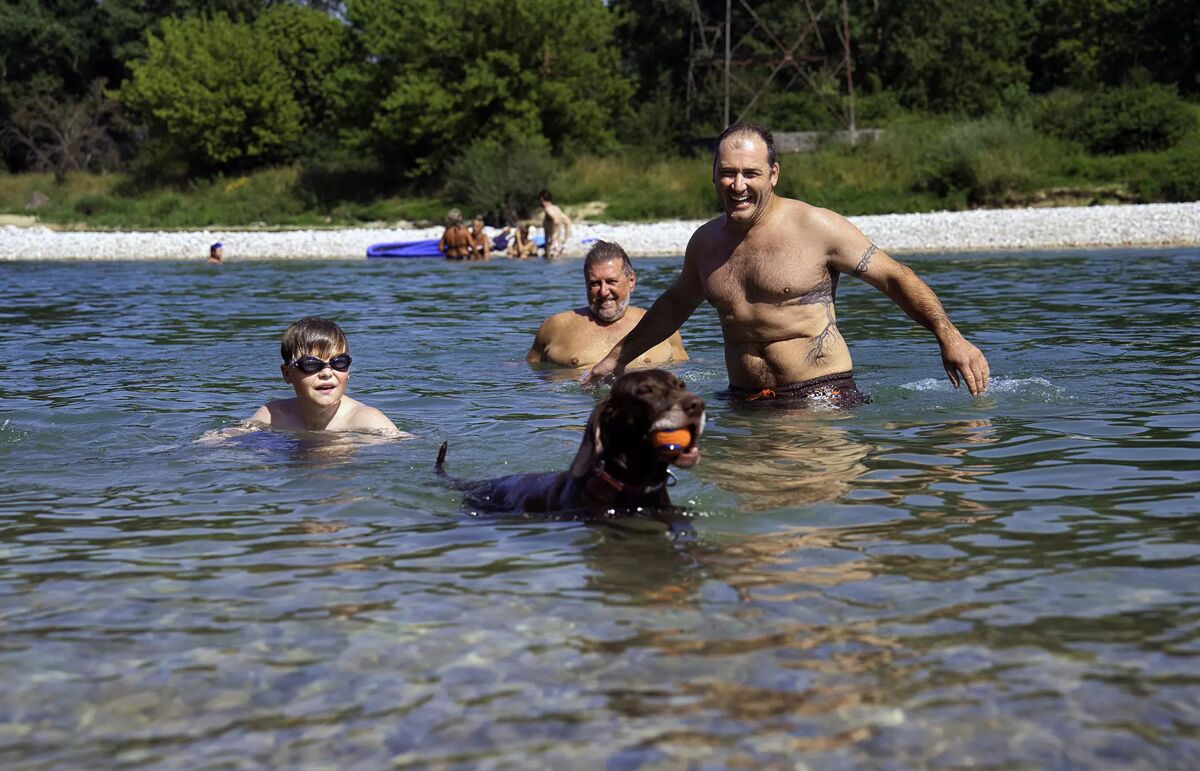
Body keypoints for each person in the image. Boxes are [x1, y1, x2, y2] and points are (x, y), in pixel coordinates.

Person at [583, 123, 989, 404]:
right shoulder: (705, 244)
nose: (738, 186)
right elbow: (672, 306)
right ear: (713, 175)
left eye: (750, 173)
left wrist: (948, 335)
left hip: (822, 396)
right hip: (744, 402)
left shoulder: (817, 227)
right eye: (727, 173)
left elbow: (895, 278)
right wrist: (617, 359)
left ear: (773, 174)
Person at [527, 240, 687, 369]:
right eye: (595, 283)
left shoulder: (662, 325)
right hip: (580, 408)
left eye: (611, 282)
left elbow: (686, 370)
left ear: (631, 281)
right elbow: (527, 372)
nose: (603, 292)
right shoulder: (555, 326)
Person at [250, 316, 408, 435]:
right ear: (287, 374)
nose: (327, 373)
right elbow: (229, 442)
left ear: (349, 370)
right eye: (311, 364)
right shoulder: (274, 415)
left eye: (339, 363)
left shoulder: (367, 421)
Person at [539, 189, 572, 260]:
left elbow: (556, 221)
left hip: (552, 244)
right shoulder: (556, 208)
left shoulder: (548, 209)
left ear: (541, 199)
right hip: (558, 243)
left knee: (551, 267)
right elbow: (568, 222)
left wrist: (552, 237)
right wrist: (565, 238)